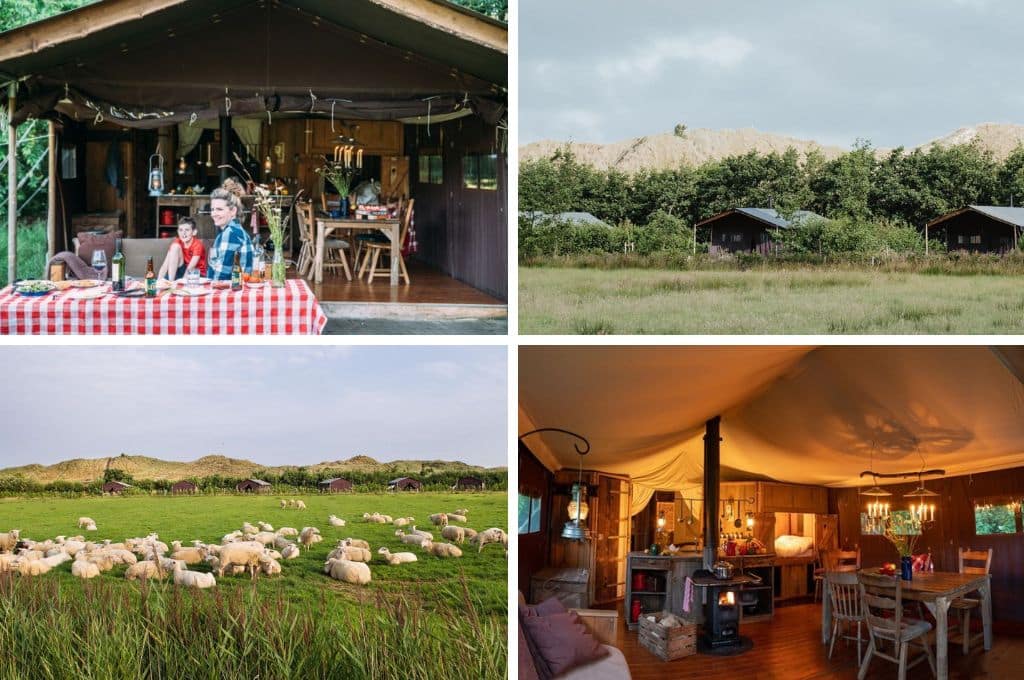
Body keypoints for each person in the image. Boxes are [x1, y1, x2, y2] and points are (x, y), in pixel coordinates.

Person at [206, 184, 254, 281]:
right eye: (212, 209)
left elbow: (222, 276)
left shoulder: (230, 233)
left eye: (219, 209)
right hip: (236, 287)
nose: (214, 214)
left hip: (232, 291)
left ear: (233, 211)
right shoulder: (233, 230)